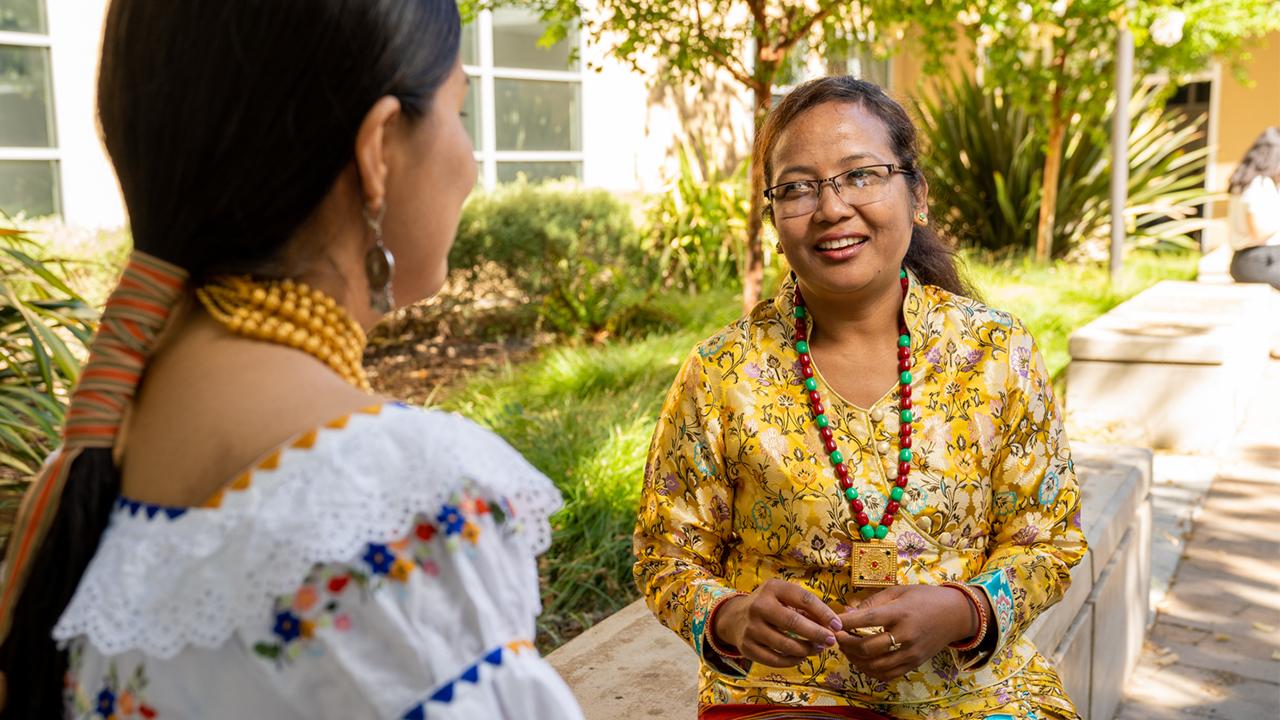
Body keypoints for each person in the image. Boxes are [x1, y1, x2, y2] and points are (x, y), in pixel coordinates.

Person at [0, 1, 582, 718]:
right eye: (460, 110)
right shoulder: (407, 514)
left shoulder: (82, 472)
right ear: (377, 150)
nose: (472, 164)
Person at [635, 76, 1087, 720]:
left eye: (860, 175)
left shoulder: (996, 352)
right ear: (773, 216)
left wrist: (964, 609)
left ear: (917, 194)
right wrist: (731, 616)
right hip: (784, 695)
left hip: (973, 693)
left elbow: (1049, 541)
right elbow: (665, 555)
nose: (831, 208)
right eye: (797, 187)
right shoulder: (719, 374)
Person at [1227, 126, 1280, 289]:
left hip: (1251, 259)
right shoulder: (1259, 184)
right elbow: (1256, 231)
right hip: (1259, 260)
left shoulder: (1246, 182)